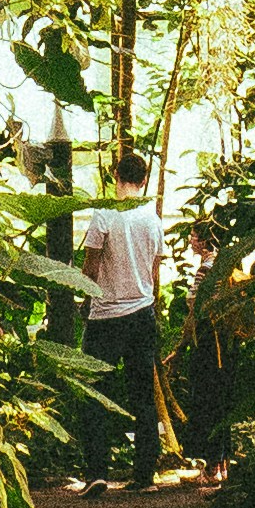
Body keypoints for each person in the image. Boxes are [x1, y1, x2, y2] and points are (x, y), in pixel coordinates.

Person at [72, 152, 165, 489]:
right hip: (142, 313)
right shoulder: (151, 219)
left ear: (115, 175)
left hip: (106, 316)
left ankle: (97, 471)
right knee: (142, 395)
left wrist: (84, 299)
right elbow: (155, 270)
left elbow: (91, 265)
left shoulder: (105, 214)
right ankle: (144, 474)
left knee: (95, 392)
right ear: (143, 180)